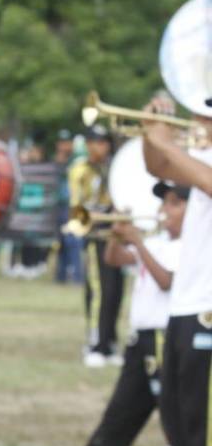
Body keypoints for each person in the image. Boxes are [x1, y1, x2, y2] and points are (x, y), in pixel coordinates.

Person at [45, 181, 186, 446]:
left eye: (175, 204)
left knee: (180, 425)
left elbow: (167, 281)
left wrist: (138, 240)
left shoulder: (195, 247)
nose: (165, 211)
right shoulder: (157, 241)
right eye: (165, 203)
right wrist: (115, 234)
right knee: (118, 418)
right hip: (141, 341)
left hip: (169, 339)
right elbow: (114, 259)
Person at [142, 97, 212, 446]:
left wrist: (166, 140)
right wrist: (152, 134)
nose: (199, 122)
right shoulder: (199, 159)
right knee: (177, 415)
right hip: (187, 304)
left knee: (204, 423)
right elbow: (157, 168)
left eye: (207, 116)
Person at [71, 124, 124, 367]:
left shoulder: (118, 167)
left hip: (116, 236)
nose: (97, 147)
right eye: (93, 142)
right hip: (95, 235)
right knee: (98, 291)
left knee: (116, 290)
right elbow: (77, 206)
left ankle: (110, 340)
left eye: (102, 142)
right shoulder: (81, 169)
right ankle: (95, 342)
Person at [54, 130, 83, 284]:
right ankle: (61, 276)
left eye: (66, 142)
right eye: (61, 142)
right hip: (60, 205)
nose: (63, 146)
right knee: (61, 242)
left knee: (73, 241)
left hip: (73, 205)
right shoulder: (58, 160)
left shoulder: (77, 161)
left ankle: (78, 276)